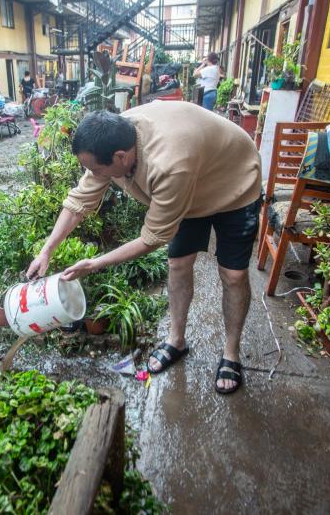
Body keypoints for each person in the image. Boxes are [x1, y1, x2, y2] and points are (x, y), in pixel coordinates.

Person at [26, 103, 262, 393]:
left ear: (121, 158)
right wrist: (46, 251)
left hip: (233, 182)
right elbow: (79, 201)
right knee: (177, 264)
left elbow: (153, 238)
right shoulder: (113, 137)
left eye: (95, 169)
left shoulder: (169, 165)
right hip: (189, 185)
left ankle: (231, 353)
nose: (92, 174)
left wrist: (94, 264)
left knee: (233, 275)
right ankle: (176, 340)